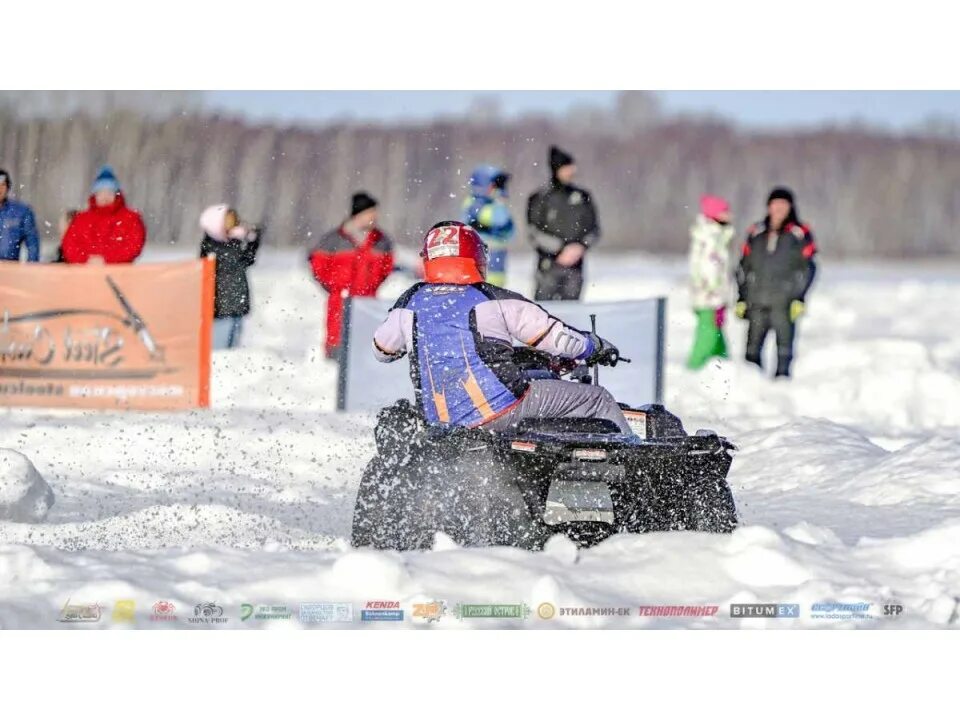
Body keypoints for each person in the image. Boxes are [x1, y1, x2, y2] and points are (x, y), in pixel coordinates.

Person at [372, 221, 629, 433]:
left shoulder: (411, 301)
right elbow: (558, 339)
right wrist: (593, 346)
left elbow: (382, 350)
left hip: (440, 421)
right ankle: (634, 479)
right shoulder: (492, 298)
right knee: (597, 398)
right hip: (501, 409)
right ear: (476, 256)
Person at [735, 186, 817, 378]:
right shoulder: (756, 232)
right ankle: (751, 387)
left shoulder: (799, 233)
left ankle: (782, 389)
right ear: (769, 206)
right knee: (752, 351)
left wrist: (799, 297)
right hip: (757, 300)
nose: (779, 208)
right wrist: (741, 297)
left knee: (784, 350)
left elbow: (809, 268)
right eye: (775, 203)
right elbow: (742, 267)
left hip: (784, 301)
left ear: (790, 207)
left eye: (783, 204)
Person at [309, 192, 394, 359]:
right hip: (340, 301)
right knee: (337, 346)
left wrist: (372, 286)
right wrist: (335, 287)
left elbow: (386, 268)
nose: (374, 217)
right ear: (359, 214)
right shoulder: (334, 239)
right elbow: (318, 267)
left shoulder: (382, 240)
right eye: (371, 212)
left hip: (368, 301)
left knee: (364, 348)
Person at [526, 145, 600, 301]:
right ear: (557, 169)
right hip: (548, 266)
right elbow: (534, 232)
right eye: (567, 167)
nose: (571, 171)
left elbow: (594, 229)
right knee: (545, 313)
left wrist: (580, 247)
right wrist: (560, 249)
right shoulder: (540, 197)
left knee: (571, 315)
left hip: (575, 268)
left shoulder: (582, 196)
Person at [199, 204, 262, 350]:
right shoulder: (211, 246)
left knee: (233, 343)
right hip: (221, 305)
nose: (233, 225)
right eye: (228, 221)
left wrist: (253, 242)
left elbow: (247, 260)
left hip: (235, 301)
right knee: (220, 347)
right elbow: (233, 263)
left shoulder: (232, 243)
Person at [687, 195, 735, 370]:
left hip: (713, 296)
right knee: (707, 336)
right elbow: (708, 268)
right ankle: (694, 367)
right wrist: (716, 294)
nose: (729, 215)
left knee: (717, 334)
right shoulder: (710, 237)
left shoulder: (716, 235)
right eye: (725, 211)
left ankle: (724, 366)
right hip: (709, 297)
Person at [61, 165, 146, 264]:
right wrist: (87, 260)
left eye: (109, 192)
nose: (105, 197)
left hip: (120, 275)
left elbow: (133, 246)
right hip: (84, 275)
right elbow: (69, 246)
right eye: (101, 192)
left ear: (116, 194)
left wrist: (107, 259)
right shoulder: (81, 219)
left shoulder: (131, 218)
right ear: (95, 195)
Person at [462, 165, 514, 287]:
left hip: (497, 265)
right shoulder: (474, 204)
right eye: (494, 185)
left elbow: (510, 230)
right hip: (481, 269)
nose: (497, 189)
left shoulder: (494, 204)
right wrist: (500, 199)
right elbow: (499, 219)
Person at [0, 168, 40, 263]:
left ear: (8, 187)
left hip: (9, 267)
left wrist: (32, 266)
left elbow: (32, 243)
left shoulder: (20, 211)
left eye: (2, 185)